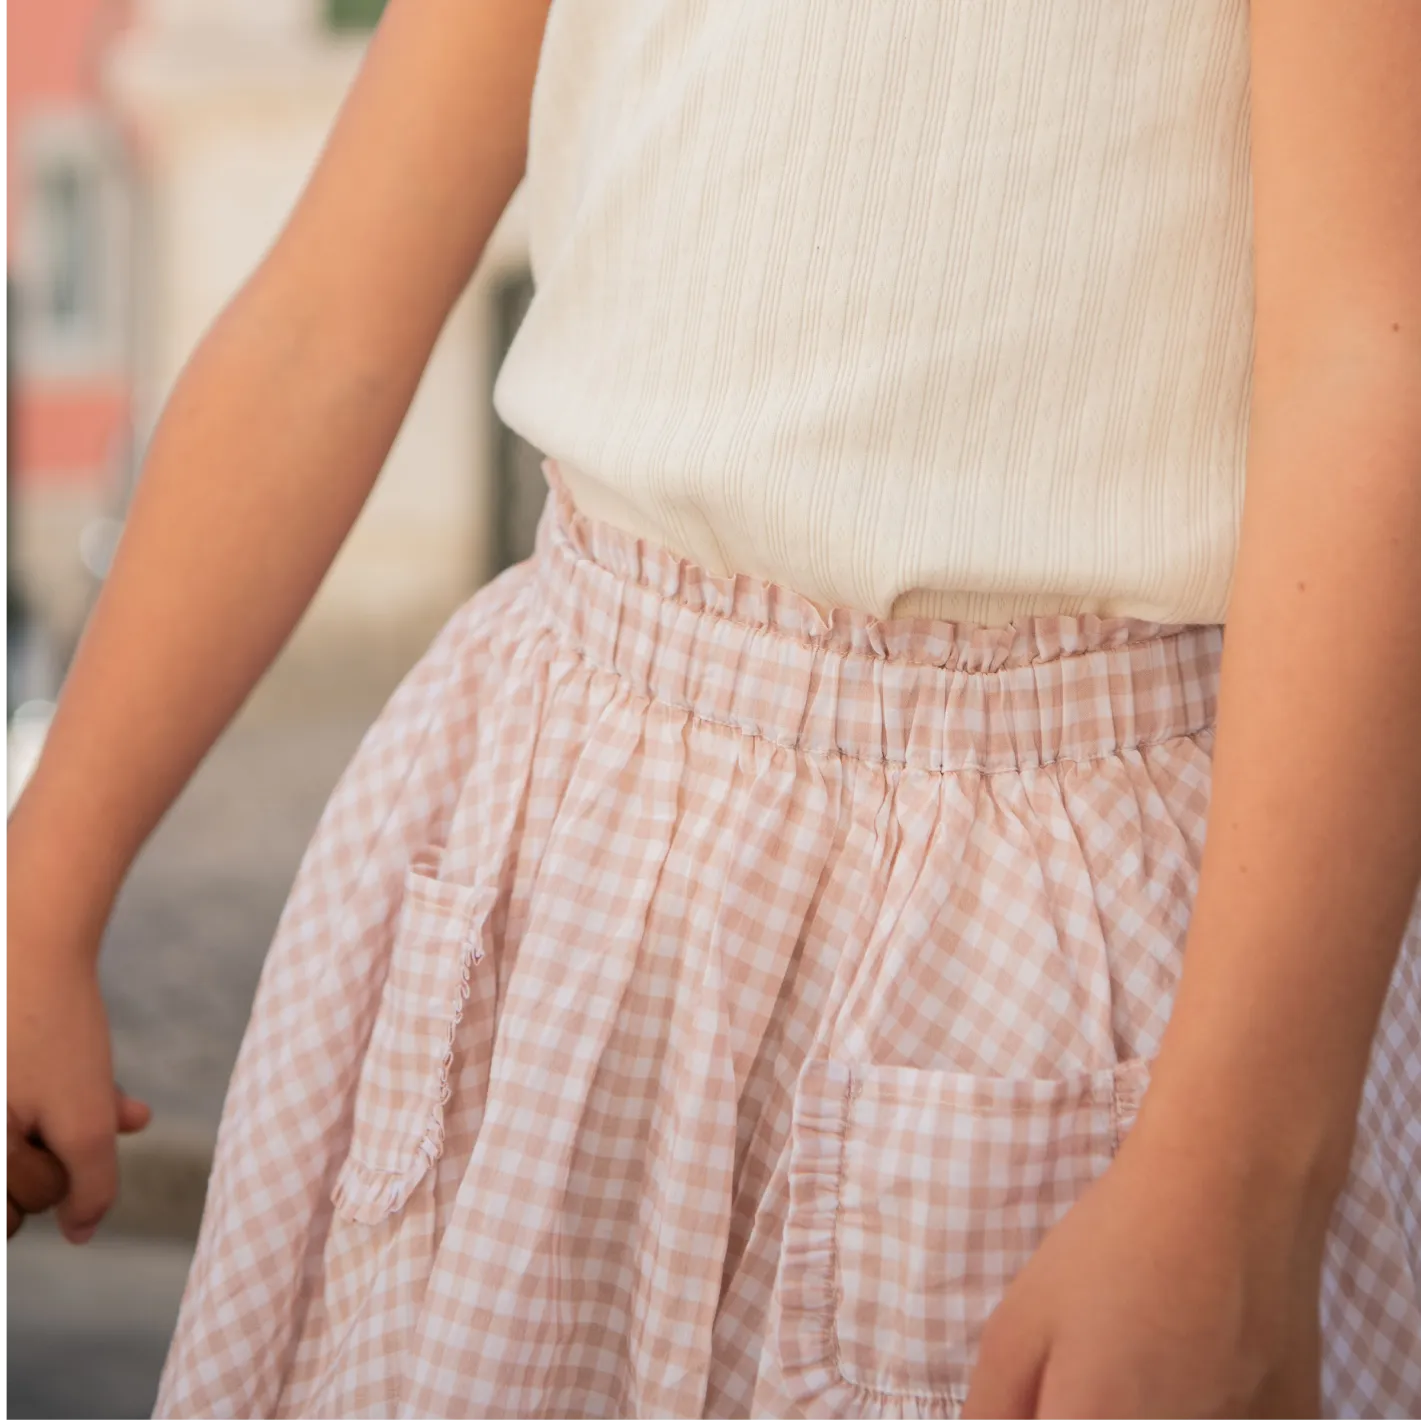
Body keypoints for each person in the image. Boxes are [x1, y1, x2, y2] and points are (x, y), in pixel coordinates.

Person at [7, 0, 1420, 1419]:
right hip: (563, 872)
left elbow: (1375, 358)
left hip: (1070, 950)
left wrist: (1241, 1174)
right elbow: (326, 323)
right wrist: (44, 886)